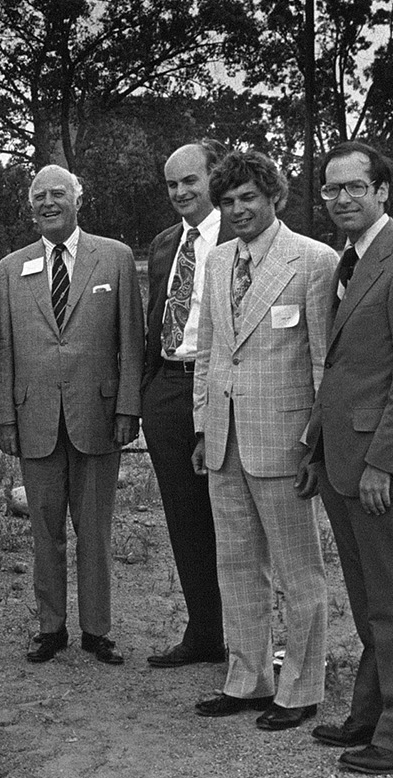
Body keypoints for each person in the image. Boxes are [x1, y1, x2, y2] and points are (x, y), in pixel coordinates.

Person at [298, 140, 393, 774]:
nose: (342, 199)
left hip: (382, 468)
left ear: (382, 191)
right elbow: (342, 371)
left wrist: (384, 462)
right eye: (332, 190)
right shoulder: (348, 263)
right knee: (367, 601)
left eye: (355, 187)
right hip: (341, 462)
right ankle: (370, 713)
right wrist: (316, 447)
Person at [189, 150, 337, 731]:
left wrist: (314, 443)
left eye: (249, 197)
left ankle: (301, 690)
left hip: (284, 441)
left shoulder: (313, 261)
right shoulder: (219, 260)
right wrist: (203, 429)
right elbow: (208, 354)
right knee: (238, 567)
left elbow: (324, 361)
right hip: (225, 440)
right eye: (227, 202)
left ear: (274, 197)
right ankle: (247, 679)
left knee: (300, 571)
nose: (238, 210)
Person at [0, 164, 144, 664]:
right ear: (29, 206)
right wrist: (5, 418)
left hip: (98, 416)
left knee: (95, 531)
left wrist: (128, 407)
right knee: (44, 530)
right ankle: (50, 628)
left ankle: (97, 631)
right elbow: (4, 350)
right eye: (39, 196)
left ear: (79, 200)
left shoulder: (116, 259)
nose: (49, 202)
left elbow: (131, 343)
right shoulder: (11, 269)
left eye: (59, 193)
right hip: (34, 419)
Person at [140, 140, 232, 669]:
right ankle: (203, 632)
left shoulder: (238, 237)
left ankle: (248, 639)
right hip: (169, 388)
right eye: (171, 184)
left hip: (219, 383)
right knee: (184, 516)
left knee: (234, 516)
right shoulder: (163, 244)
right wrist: (151, 390)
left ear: (215, 177)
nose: (179, 193)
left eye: (189, 182)